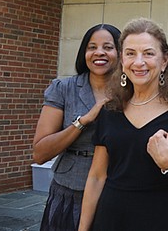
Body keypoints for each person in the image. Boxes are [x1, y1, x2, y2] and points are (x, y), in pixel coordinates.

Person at [78, 18, 168, 231]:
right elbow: (96, 177)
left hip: (165, 220)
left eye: (148, 53)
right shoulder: (110, 110)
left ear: (164, 60)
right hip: (110, 220)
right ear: (122, 60)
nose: (139, 62)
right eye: (130, 53)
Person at [33, 23, 121, 231]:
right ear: (84, 53)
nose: (99, 52)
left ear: (120, 52)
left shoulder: (131, 92)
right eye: (92, 47)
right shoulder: (63, 88)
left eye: (108, 47)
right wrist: (83, 121)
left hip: (115, 190)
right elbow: (40, 153)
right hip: (69, 192)